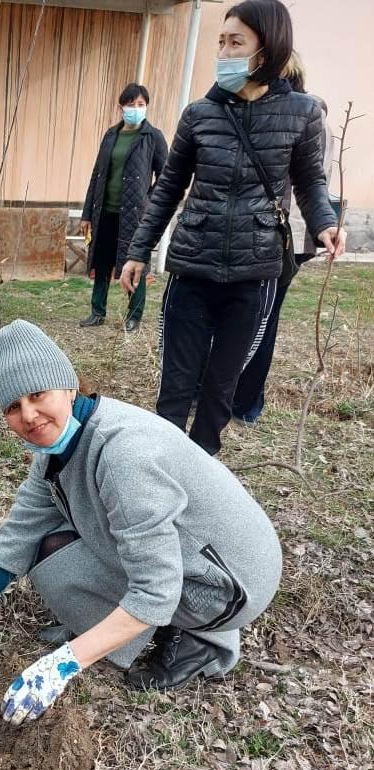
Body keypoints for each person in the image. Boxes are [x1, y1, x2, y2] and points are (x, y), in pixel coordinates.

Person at [0, 320, 282, 725]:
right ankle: (123, 629)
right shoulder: (57, 449)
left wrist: (63, 664)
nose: (28, 415)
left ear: (69, 385)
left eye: (37, 394)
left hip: (225, 588)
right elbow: (16, 539)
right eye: (12, 406)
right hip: (205, 561)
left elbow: (156, 591)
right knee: (49, 552)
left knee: (62, 572)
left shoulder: (122, 457)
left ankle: (200, 641)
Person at [120, 0, 345, 456]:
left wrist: (325, 223)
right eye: (220, 41)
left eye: (235, 41)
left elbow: (309, 181)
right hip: (192, 267)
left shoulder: (302, 113)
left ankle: (201, 473)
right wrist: (137, 251)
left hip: (254, 272)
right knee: (175, 387)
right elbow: (167, 191)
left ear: (266, 49)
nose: (223, 51)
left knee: (220, 389)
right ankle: (161, 471)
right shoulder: (199, 114)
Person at [232, 52, 334, 425]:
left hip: (285, 237)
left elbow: (310, 182)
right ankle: (224, 393)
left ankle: (246, 403)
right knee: (240, 316)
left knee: (263, 318)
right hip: (250, 232)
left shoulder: (309, 114)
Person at [79, 83, 168, 332]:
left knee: (135, 260)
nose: (135, 109)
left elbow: (167, 177)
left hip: (134, 215)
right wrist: (87, 213)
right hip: (104, 210)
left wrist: (148, 201)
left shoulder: (153, 137)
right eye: (131, 104)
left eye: (141, 105)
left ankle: (134, 315)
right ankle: (97, 311)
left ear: (146, 107)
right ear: (121, 106)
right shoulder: (111, 135)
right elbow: (97, 175)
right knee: (102, 260)